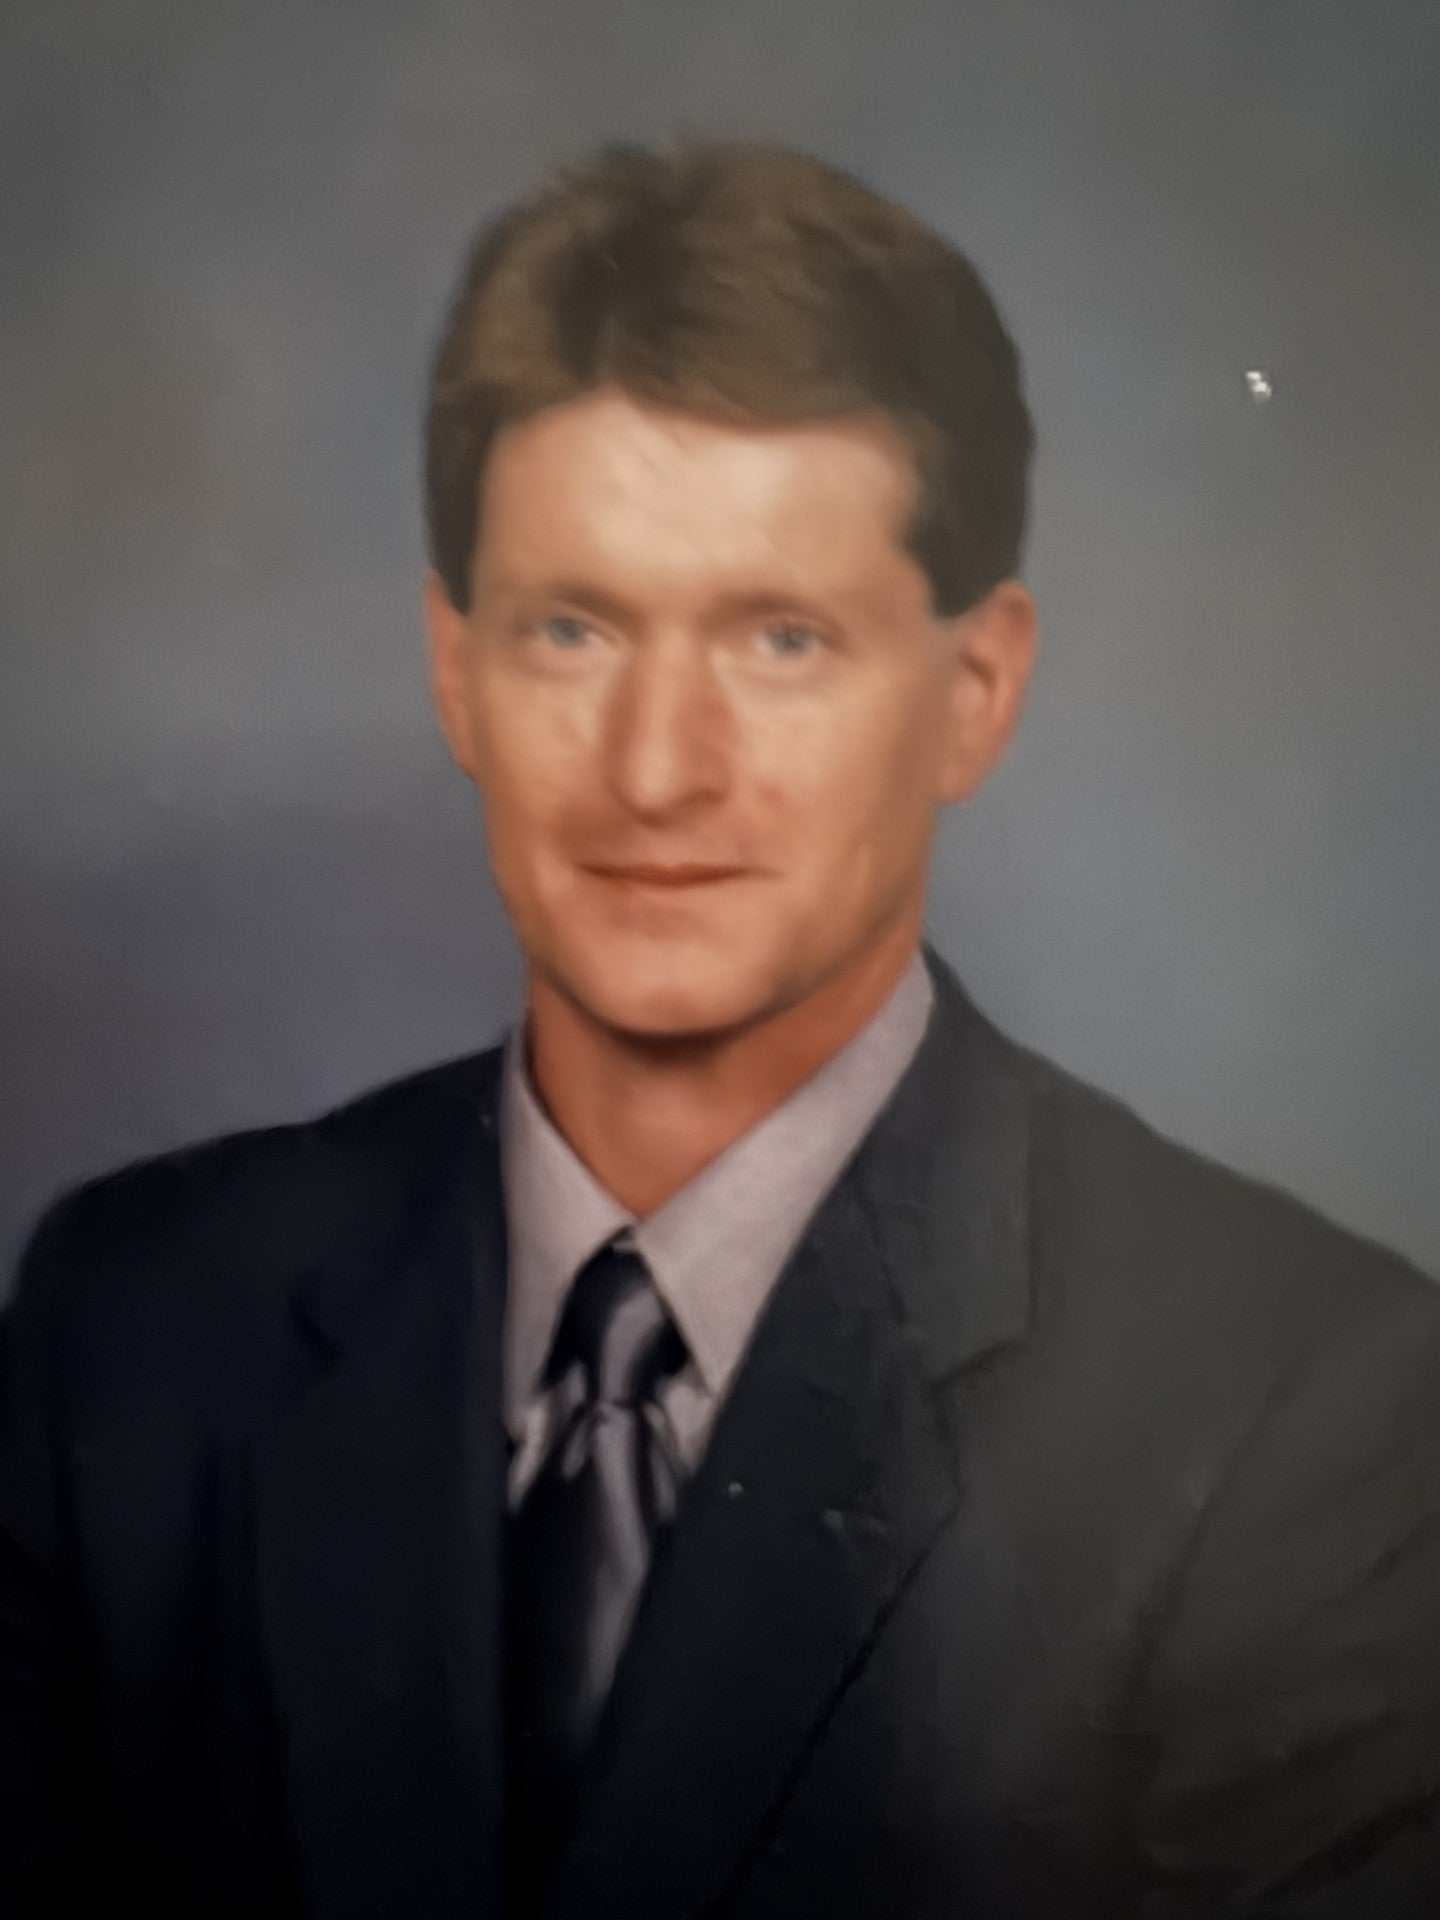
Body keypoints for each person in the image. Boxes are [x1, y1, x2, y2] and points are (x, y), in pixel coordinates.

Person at [3, 137, 1439, 1920]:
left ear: (974, 693)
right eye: (573, 629)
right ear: (456, 673)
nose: (657, 768)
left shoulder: (1306, 1416)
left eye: (780, 641)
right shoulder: (133, 1326)